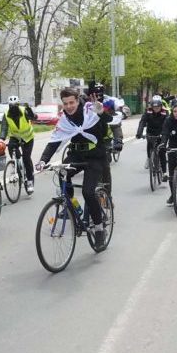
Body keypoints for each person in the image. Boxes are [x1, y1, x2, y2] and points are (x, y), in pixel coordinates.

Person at [35, 87, 110, 247]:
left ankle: (98, 228)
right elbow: (54, 141)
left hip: (95, 156)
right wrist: (43, 160)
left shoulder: (90, 110)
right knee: (62, 174)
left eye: (72, 102)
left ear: (77, 101)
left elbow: (106, 126)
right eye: (65, 103)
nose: (69, 106)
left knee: (88, 192)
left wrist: (101, 112)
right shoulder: (64, 120)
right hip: (76, 154)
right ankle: (69, 206)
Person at [0, 95, 37, 195]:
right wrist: (1, 140)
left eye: (15, 105)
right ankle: (18, 169)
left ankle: (29, 181)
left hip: (28, 138)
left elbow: (34, 117)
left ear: (18, 104)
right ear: (9, 105)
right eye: (11, 105)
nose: (13, 107)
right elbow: (4, 128)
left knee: (26, 157)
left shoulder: (24, 110)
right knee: (12, 150)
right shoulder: (6, 114)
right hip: (15, 137)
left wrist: (31, 112)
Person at [136, 95, 169, 179]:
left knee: (162, 151)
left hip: (161, 133)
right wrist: (139, 133)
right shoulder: (148, 112)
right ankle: (149, 158)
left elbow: (167, 124)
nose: (156, 108)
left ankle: (164, 173)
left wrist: (165, 134)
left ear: (161, 106)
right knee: (149, 145)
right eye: (154, 107)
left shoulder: (165, 112)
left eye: (158, 107)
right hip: (151, 132)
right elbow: (142, 122)